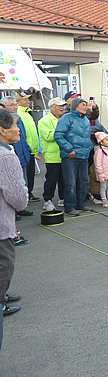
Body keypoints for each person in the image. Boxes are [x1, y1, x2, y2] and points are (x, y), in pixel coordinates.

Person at [0, 108, 29, 347]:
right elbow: (17, 197)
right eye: (14, 126)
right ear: (2, 130)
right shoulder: (6, 156)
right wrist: (23, 201)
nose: (18, 129)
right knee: (4, 267)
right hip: (1, 227)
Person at [54, 97, 94, 217]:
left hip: (84, 155)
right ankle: (70, 207)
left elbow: (86, 137)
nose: (85, 107)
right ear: (75, 106)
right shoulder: (67, 118)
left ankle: (80, 204)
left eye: (85, 105)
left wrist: (88, 148)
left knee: (84, 181)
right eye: (83, 104)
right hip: (70, 156)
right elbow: (58, 135)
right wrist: (69, 149)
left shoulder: (85, 120)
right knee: (70, 182)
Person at [38, 97, 66, 211]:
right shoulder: (44, 120)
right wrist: (63, 130)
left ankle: (63, 198)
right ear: (52, 107)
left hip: (65, 154)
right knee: (51, 179)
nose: (62, 108)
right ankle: (47, 200)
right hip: (52, 155)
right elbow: (48, 136)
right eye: (59, 106)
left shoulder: (64, 119)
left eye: (63, 105)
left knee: (64, 179)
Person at [15, 92, 41, 201]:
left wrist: (37, 149)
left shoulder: (27, 113)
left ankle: (29, 193)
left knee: (30, 174)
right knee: (24, 174)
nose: (28, 102)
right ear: (18, 102)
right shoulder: (18, 114)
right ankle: (25, 195)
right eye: (25, 100)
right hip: (25, 148)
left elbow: (33, 132)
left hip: (31, 149)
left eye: (28, 99)